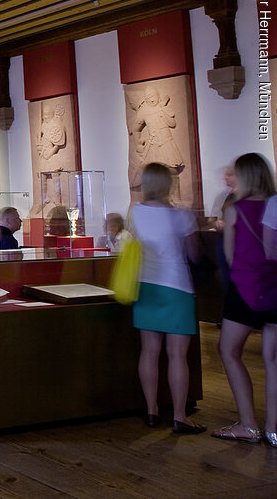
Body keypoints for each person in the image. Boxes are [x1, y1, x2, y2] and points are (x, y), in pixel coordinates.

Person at [129, 162, 203, 433]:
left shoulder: (135, 212)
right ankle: (180, 415)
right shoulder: (181, 216)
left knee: (149, 352)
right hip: (177, 287)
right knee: (177, 356)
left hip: (146, 286)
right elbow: (194, 254)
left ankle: (151, 410)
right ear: (168, 185)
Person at [214, 153, 277, 444]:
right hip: (275, 288)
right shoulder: (274, 204)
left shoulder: (235, 210)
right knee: (272, 359)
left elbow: (229, 255)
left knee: (229, 352)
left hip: (245, 288)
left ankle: (248, 425)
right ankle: (274, 428)